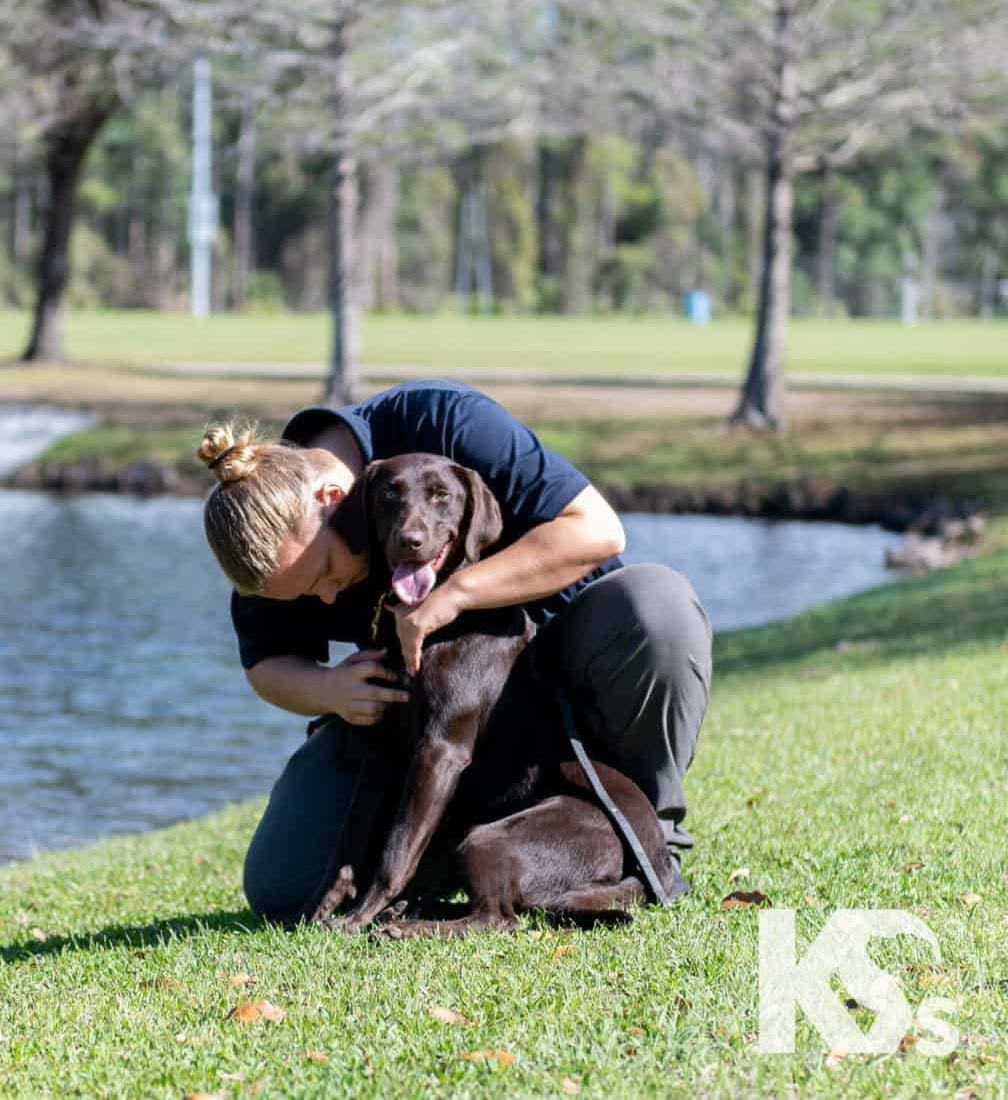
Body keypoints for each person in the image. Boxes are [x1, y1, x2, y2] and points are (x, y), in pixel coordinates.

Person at [199, 379, 711, 924]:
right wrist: (330, 689)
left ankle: (648, 839)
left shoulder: (442, 422)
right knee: (282, 886)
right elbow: (266, 666)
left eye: (325, 573)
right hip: (415, 722)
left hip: (557, 670)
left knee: (657, 606)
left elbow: (598, 531)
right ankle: (472, 859)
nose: (326, 597)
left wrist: (450, 598)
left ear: (332, 500)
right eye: (306, 595)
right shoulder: (269, 533)